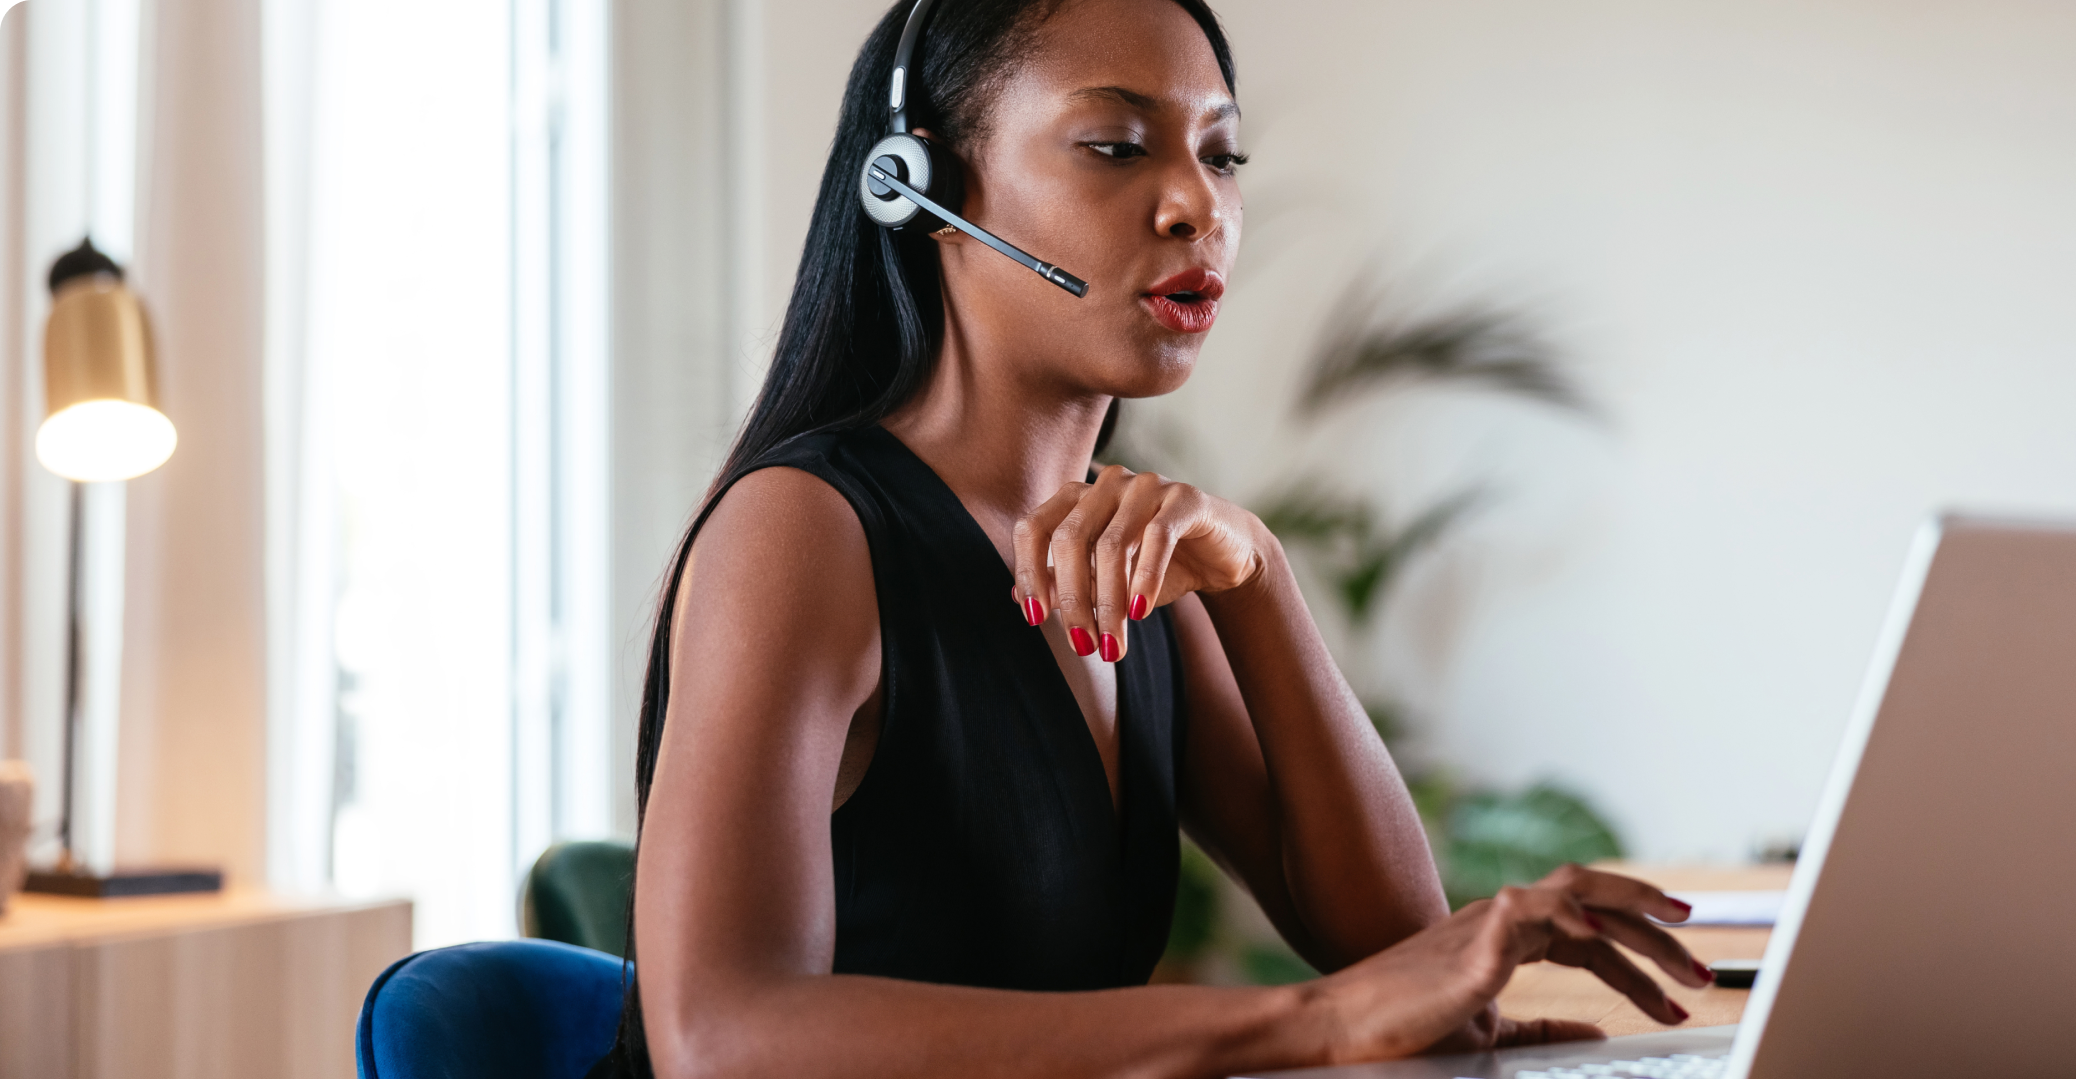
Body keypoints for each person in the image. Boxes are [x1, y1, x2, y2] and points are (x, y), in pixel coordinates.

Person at [599, 1, 1713, 1076]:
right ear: (919, 184)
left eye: (1222, 157)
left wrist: (1257, 575)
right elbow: (722, 1038)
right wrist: (1299, 1023)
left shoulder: (1127, 555)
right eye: (1115, 146)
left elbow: (1387, 941)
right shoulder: (802, 532)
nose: (1195, 205)